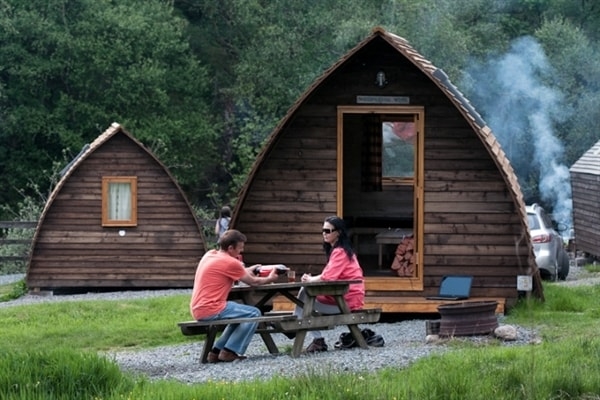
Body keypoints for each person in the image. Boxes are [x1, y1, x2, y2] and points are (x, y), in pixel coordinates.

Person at [189, 229, 279, 363]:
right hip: (212, 307)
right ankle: (229, 351)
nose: (240, 252)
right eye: (239, 249)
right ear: (231, 248)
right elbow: (253, 282)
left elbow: (235, 272)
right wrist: (270, 278)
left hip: (198, 308)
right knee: (254, 313)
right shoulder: (230, 262)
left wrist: (248, 269)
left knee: (241, 315)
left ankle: (216, 352)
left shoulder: (210, 255)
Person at [292, 216, 365, 353]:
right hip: (342, 297)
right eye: (323, 230)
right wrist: (311, 280)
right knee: (306, 297)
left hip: (347, 300)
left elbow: (329, 277)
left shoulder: (340, 252)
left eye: (328, 230)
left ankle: (298, 325)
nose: (324, 233)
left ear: (338, 232)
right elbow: (329, 276)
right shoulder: (340, 251)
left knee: (306, 295)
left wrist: (311, 279)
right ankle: (300, 325)